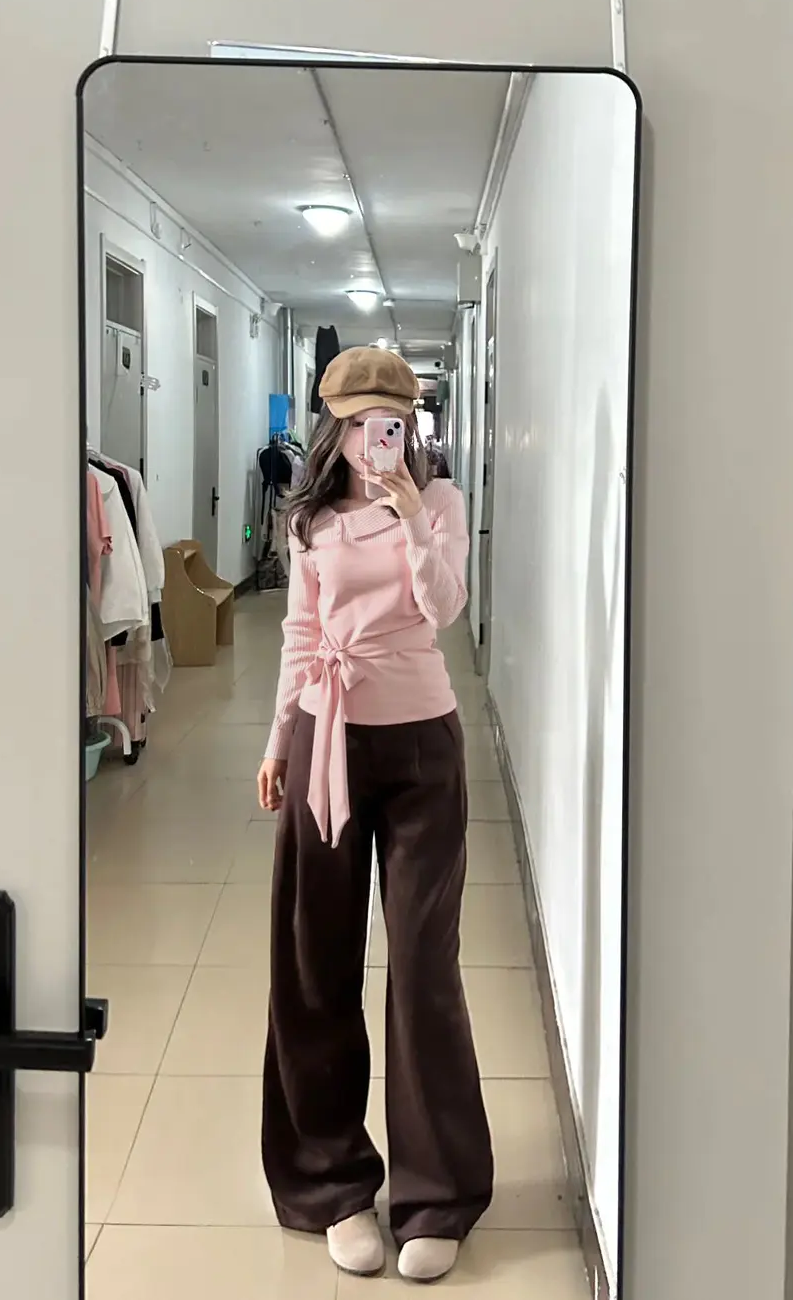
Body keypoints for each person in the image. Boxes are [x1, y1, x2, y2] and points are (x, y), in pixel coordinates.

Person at [257, 346, 493, 1283]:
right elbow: (301, 632)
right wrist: (279, 741)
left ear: (409, 423)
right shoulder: (310, 518)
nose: (370, 440)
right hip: (326, 734)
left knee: (424, 967)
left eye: (386, 423)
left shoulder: (439, 503)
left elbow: (445, 610)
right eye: (355, 425)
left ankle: (438, 1193)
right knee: (315, 959)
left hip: (422, 744)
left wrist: (409, 515)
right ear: (334, 428)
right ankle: (333, 1184)